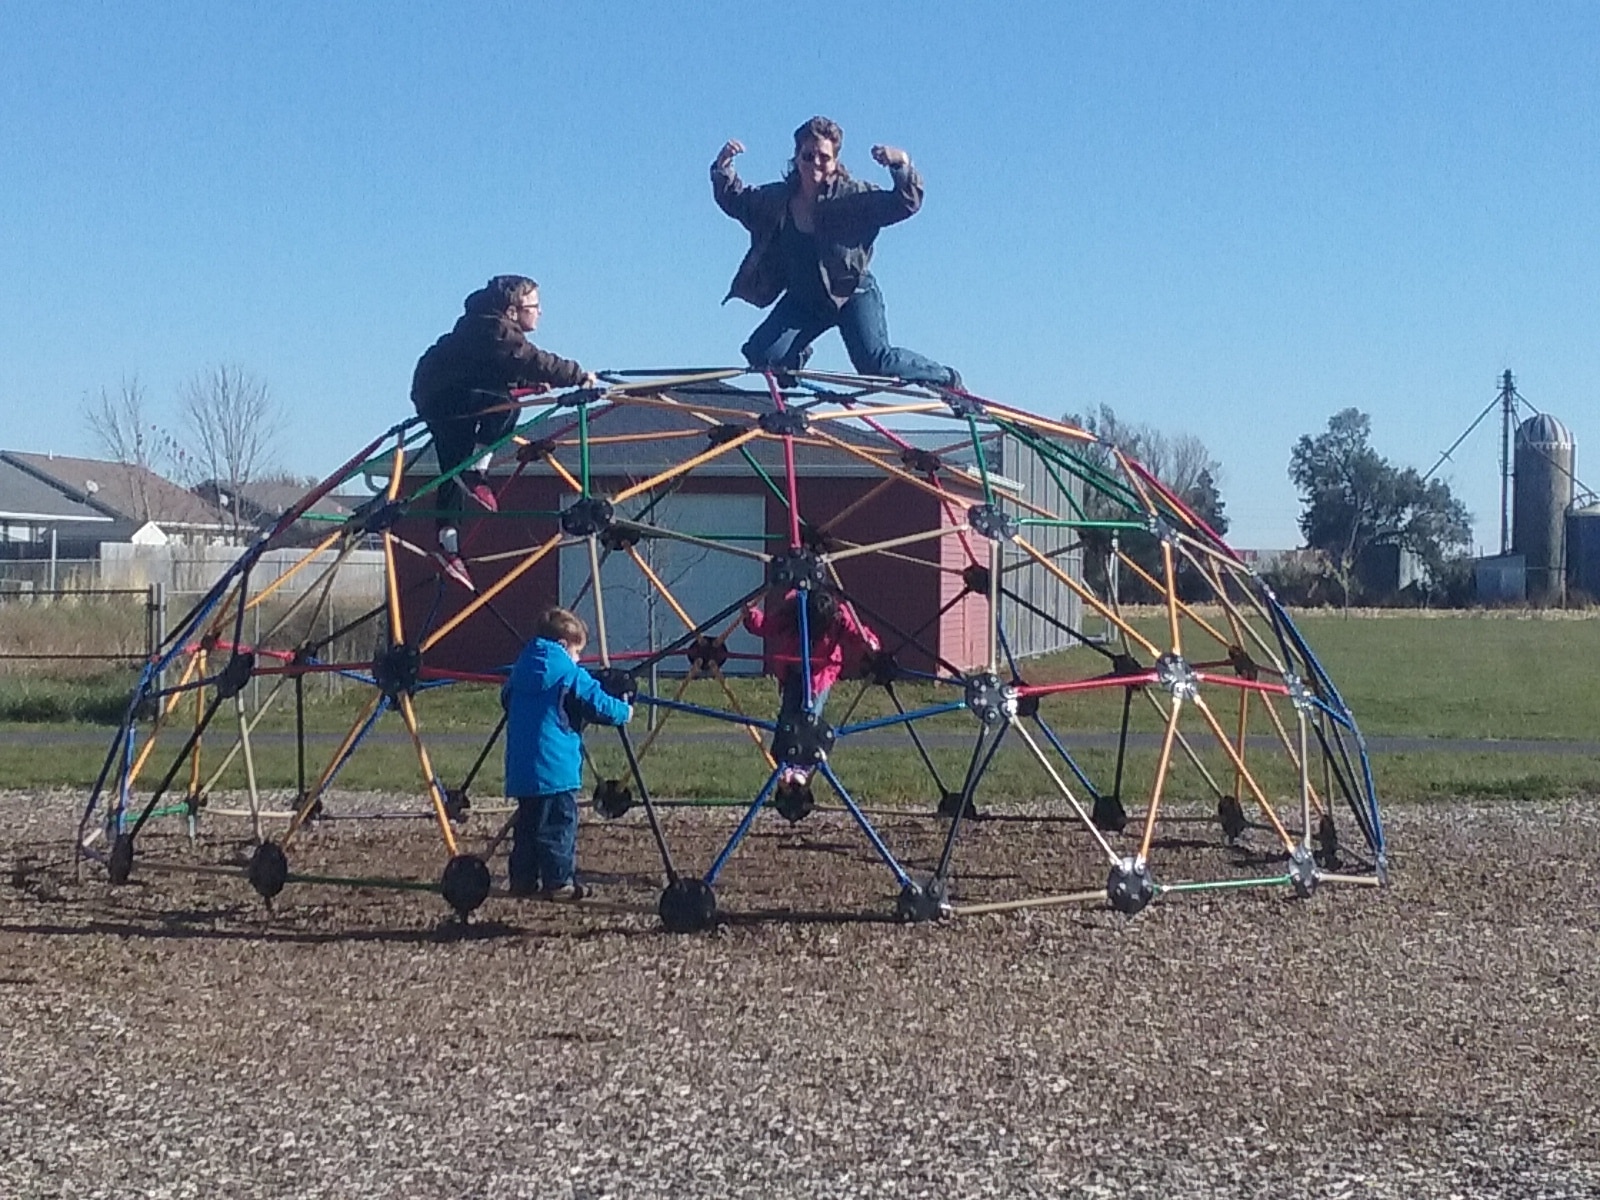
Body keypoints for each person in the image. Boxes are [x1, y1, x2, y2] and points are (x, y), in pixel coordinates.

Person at [711, 116, 961, 389]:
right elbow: (738, 201)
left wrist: (900, 164)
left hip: (852, 294)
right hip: (805, 299)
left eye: (824, 157)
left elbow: (904, 203)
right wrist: (724, 167)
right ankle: (793, 358)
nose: (816, 162)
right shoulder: (777, 200)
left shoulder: (851, 197)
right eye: (808, 155)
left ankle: (945, 376)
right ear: (796, 158)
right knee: (761, 354)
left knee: (875, 364)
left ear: (834, 161)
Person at [411, 275, 598, 591]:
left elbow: (494, 368)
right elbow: (528, 359)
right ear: (513, 310)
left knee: (451, 469)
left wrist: (528, 384)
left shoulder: (484, 328)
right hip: (446, 396)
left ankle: (448, 544)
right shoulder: (493, 329)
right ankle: (477, 470)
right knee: (506, 407)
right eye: (535, 305)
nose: (540, 312)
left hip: (439, 391)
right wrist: (577, 375)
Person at [501, 606, 632, 899]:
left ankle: (522, 879)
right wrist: (625, 710)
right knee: (558, 827)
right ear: (563, 645)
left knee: (527, 827)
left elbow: (505, 700)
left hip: (521, 768)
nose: (578, 659)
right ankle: (558, 881)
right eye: (577, 652)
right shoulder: (569, 673)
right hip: (556, 769)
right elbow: (598, 704)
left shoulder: (519, 670)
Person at [743, 586, 879, 786]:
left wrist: (871, 644)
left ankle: (802, 767)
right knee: (788, 717)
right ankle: (784, 763)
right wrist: (750, 615)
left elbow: (859, 633)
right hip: (794, 673)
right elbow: (767, 626)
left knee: (810, 718)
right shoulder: (794, 610)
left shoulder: (839, 617)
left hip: (819, 674)